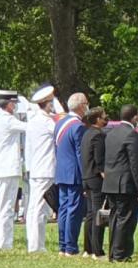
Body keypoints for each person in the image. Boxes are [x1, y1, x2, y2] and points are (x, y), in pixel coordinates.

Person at [0, 91, 28, 250]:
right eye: (14, 104)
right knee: (6, 207)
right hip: (7, 168)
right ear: (9, 104)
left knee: (0, 206)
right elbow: (29, 127)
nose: (15, 107)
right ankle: (4, 243)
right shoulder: (8, 120)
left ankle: (0, 241)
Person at [103, 104, 138, 262]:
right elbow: (136, 164)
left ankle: (114, 252)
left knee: (115, 218)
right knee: (126, 219)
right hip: (125, 184)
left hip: (111, 182)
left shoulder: (111, 133)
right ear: (134, 117)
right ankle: (121, 254)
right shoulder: (132, 135)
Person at [54, 93, 90, 257]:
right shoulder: (78, 126)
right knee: (73, 211)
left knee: (63, 209)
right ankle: (70, 247)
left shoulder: (60, 123)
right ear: (82, 106)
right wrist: (86, 177)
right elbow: (80, 154)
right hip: (75, 173)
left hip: (62, 172)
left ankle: (63, 245)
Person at [24, 86, 58, 253]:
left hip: (36, 168)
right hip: (45, 169)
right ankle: (36, 245)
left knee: (34, 208)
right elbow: (60, 131)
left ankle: (35, 243)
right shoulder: (46, 122)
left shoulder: (33, 121)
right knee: (40, 209)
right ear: (48, 103)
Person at [80, 107, 108, 258]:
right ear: (97, 119)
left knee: (90, 214)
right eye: (104, 117)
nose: (106, 119)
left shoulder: (86, 134)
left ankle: (88, 248)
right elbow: (99, 160)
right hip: (96, 178)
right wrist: (105, 175)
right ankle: (97, 250)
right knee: (98, 214)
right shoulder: (98, 135)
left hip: (86, 176)